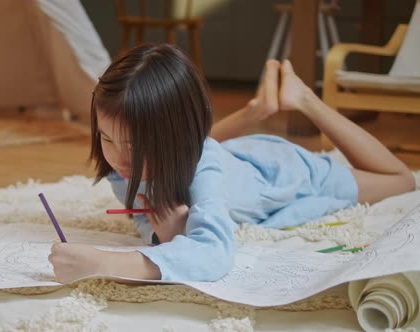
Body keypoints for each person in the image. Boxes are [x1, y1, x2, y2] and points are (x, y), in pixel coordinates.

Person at [48, 44, 415, 283]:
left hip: (285, 172)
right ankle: (257, 110)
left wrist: (104, 263)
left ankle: (305, 98)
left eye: (134, 145)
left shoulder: (205, 168)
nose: (118, 158)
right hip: (232, 157)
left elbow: (214, 254)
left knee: (401, 180)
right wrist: (166, 235)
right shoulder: (122, 165)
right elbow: (145, 217)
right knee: (201, 152)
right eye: (106, 139)